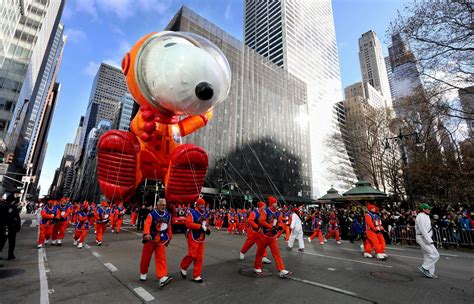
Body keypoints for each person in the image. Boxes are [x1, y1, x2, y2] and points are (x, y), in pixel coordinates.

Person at [254, 196, 292, 278]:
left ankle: (282, 270)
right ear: (271, 204)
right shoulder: (265, 211)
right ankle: (257, 267)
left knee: (277, 253)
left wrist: (280, 226)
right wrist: (271, 227)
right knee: (260, 252)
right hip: (264, 235)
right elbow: (261, 221)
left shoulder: (278, 212)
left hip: (272, 237)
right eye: (275, 202)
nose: (276, 203)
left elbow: (279, 221)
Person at [140, 198, 173, 287]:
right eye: (162, 205)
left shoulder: (168, 215)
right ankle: (143, 273)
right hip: (150, 240)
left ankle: (162, 277)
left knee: (161, 258)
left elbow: (169, 227)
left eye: (165, 205)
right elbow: (147, 224)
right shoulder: (152, 214)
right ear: (157, 205)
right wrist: (146, 233)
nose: (164, 206)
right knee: (145, 258)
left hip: (161, 240)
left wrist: (169, 237)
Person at [180, 198, 210, 283]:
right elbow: (188, 224)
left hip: (201, 237)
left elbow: (206, 223)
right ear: (197, 205)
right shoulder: (192, 213)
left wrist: (208, 229)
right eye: (201, 204)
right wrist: (199, 227)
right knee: (192, 255)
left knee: (199, 257)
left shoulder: (205, 213)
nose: (203, 206)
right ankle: (183, 266)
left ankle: (196, 275)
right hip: (193, 236)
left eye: (203, 205)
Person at [415, 203, 439, 279]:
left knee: (428, 255)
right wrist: (429, 240)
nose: (429, 210)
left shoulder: (426, 216)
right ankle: (424, 268)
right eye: (428, 208)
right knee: (435, 255)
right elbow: (423, 230)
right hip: (423, 238)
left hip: (425, 238)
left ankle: (430, 272)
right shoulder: (420, 217)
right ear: (423, 209)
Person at [0, 193, 21, 260]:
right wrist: (17, 226)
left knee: (1, 242)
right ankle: (10, 255)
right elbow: (16, 218)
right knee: (11, 242)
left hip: (3, 227)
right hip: (11, 227)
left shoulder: (1, 206)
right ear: (13, 200)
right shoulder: (12, 207)